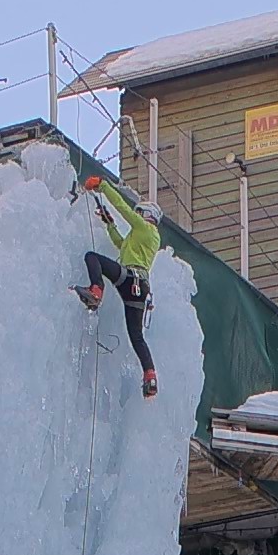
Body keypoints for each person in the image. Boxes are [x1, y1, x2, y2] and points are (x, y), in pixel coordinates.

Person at [76, 166, 161, 397]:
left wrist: (103, 185)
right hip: (139, 289)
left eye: (139, 212)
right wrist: (109, 223)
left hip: (130, 278)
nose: (137, 215)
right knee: (136, 336)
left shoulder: (147, 229)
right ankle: (150, 377)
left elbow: (123, 208)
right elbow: (121, 245)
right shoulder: (144, 239)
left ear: (146, 215)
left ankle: (96, 291)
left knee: (92, 258)